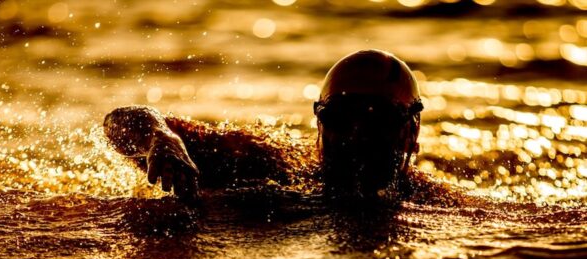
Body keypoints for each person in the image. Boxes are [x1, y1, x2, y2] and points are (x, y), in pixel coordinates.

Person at [103, 49, 454, 204]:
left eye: (378, 119)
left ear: (411, 133)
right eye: (341, 117)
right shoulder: (268, 164)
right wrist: (160, 138)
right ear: (319, 122)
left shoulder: (439, 205)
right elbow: (120, 121)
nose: (357, 133)